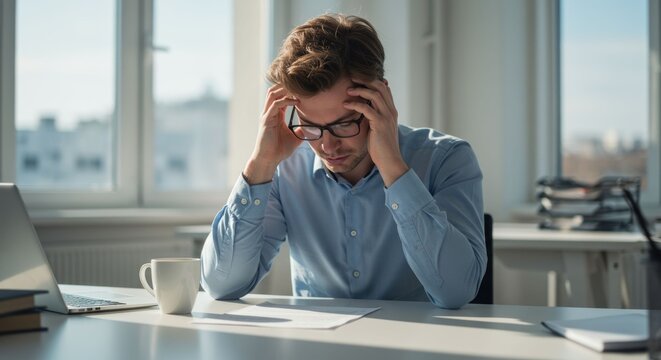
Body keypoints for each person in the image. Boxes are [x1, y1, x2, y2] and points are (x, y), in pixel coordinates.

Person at [201, 13, 486, 309]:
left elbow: (455, 291)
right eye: (311, 125)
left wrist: (393, 169)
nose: (327, 145)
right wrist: (260, 164)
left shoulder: (447, 159)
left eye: (343, 124)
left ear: (380, 100)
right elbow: (222, 285)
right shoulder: (284, 168)